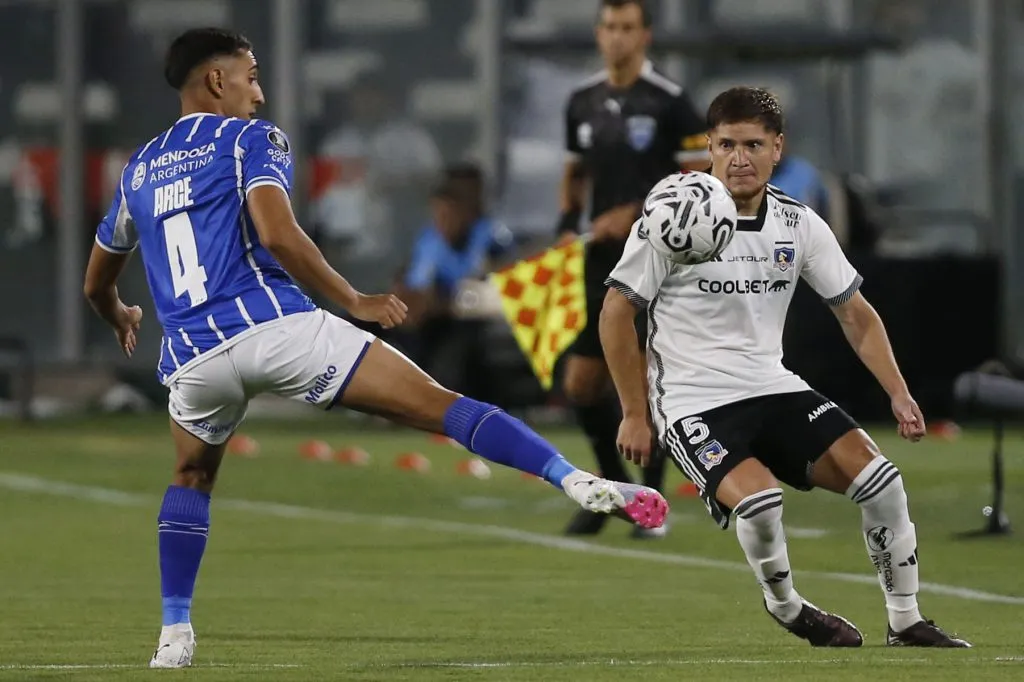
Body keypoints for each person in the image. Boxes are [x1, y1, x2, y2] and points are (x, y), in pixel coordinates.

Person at [82, 28, 669, 669]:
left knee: (192, 476)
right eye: (250, 76)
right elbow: (277, 234)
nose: (260, 90)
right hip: (276, 331)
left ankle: (174, 635)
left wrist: (119, 313)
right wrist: (351, 300)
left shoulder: (137, 167)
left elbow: (97, 279)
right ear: (217, 82)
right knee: (443, 407)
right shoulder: (250, 139)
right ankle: (574, 479)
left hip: (193, 361)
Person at [599, 86, 970, 648]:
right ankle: (788, 606)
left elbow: (857, 316)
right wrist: (634, 411)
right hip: (693, 400)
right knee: (760, 500)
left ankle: (906, 619)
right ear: (709, 148)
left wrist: (898, 392)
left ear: (778, 149)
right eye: (725, 145)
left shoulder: (799, 225)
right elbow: (615, 312)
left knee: (883, 482)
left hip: (771, 385)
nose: (739, 158)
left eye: (753, 144)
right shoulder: (675, 219)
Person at [557, 0, 709, 538]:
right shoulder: (582, 102)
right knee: (580, 382)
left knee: (642, 380)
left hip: (658, 258)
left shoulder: (671, 103)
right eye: (609, 28)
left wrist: (638, 212)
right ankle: (612, 489)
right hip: (599, 257)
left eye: (627, 28)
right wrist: (566, 222)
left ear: (645, 36)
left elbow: (700, 185)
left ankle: (652, 503)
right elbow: (575, 171)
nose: (617, 38)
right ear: (598, 35)